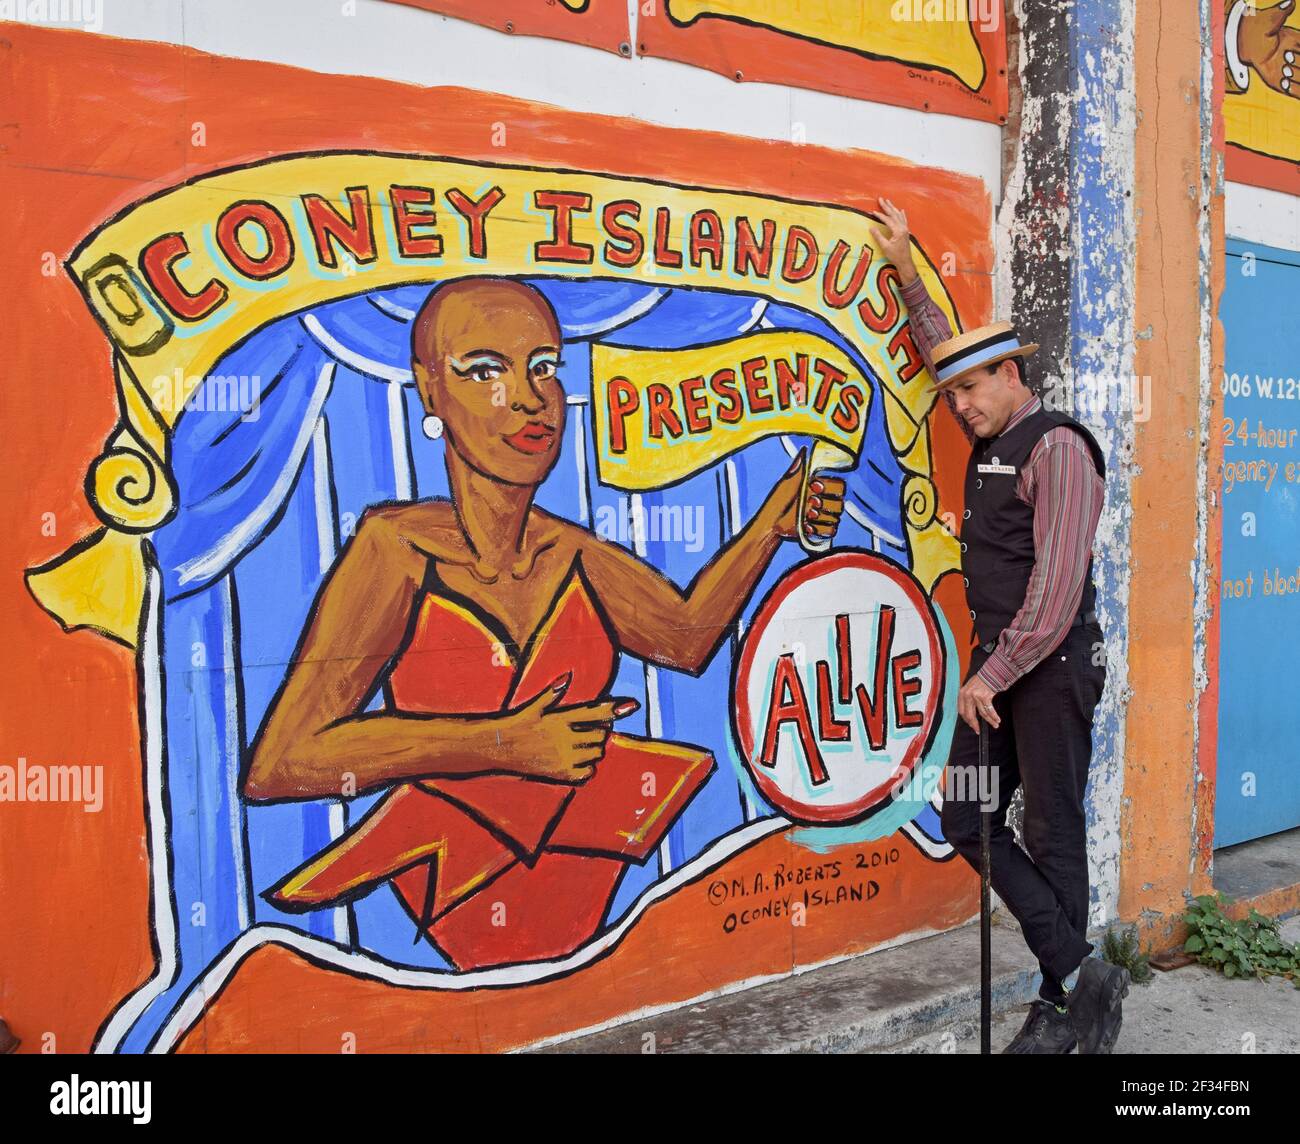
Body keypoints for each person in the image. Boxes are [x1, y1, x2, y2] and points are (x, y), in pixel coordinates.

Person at [243, 276, 845, 969]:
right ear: (430, 390)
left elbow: (684, 639)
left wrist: (771, 525)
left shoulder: (574, 552)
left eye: (544, 368)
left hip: (593, 916)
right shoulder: (395, 549)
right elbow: (282, 763)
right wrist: (506, 743)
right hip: (456, 923)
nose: (528, 398)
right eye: (485, 370)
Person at [871, 199, 1127, 1054]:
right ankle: (1081, 969)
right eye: (949, 396)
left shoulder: (1058, 449)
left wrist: (988, 675)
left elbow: (1054, 598)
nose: (960, 407)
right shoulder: (987, 430)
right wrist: (907, 267)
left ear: (1012, 374)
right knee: (962, 815)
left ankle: (1064, 1011)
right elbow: (947, 344)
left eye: (972, 390)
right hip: (1000, 669)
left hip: (1049, 670)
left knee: (1052, 827)